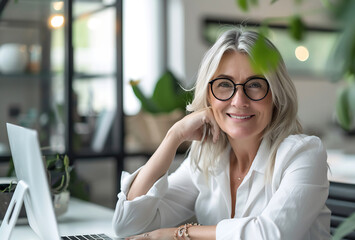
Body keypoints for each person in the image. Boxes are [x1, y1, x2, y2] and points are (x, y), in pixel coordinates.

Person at [112, 28, 331, 240]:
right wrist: (174, 135)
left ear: (276, 95)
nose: (239, 101)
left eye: (255, 84)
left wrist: (179, 234)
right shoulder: (206, 159)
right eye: (225, 84)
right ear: (209, 97)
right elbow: (127, 224)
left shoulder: (303, 154)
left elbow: (269, 235)